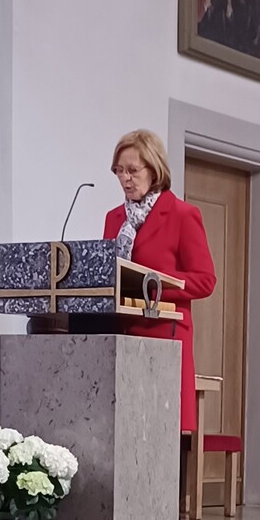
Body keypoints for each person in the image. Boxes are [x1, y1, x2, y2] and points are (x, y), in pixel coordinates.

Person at [103, 129, 217, 435]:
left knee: (158, 436)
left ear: (154, 170)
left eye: (132, 170)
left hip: (164, 339)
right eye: (119, 170)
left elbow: (205, 281)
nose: (125, 178)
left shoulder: (182, 215)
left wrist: (154, 284)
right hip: (120, 338)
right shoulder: (114, 219)